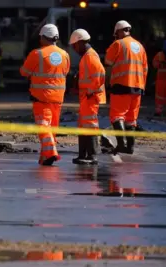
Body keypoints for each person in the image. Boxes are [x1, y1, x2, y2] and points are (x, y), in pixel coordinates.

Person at [20, 24, 70, 166]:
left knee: (43, 126)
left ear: (43, 37)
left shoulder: (37, 54)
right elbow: (65, 72)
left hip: (42, 97)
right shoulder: (64, 54)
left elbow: (24, 72)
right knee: (51, 128)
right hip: (58, 97)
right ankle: (45, 157)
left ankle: (50, 153)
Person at [105, 20, 148, 155]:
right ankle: (130, 147)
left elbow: (107, 62)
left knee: (117, 115)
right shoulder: (140, 46)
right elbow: (145, 68)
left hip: (121, 85)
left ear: (119, 31)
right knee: (131, 118)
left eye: (116, 33)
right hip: (138, 87)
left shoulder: (118, 44)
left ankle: (121, 144)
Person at [69, 29, 106, 165]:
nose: (74, 49)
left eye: (74, 46)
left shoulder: (90, 56)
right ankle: (83, 155)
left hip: (90, 97)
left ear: (80, 42)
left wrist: (91, 90)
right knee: (83, 125)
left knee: (89, 125)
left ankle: (92, 155)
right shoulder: (87, 56)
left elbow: (101, 74)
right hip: (86, 97)